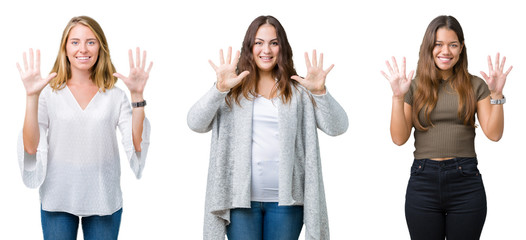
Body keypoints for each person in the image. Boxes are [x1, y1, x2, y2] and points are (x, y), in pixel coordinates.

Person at [187, 15, 348, 240]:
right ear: (249, 47)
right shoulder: (232, 89)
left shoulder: (298, 90)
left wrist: (320, 92)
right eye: (259, 42)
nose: (266, 50)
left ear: (282, 47)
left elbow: (338, 127)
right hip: (240, 202)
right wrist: (219, 88)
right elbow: (195, 123)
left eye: (273, 42)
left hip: (287, 203)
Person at [16, 16, 152, 240]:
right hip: (58, 196)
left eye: (91, 41)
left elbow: (136, 143)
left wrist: (137, 96)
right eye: (75, 42)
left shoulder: (115, 95)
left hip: (103, 197)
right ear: (65, 48)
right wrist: (31, 96)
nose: (83, 49)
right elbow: (30, 147)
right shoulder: (49, 93)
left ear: (100, 47)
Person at [381, 15, 512, 240]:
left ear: (461, 48)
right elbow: (398, 138)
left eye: (453, 45)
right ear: (428, 47)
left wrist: (497, 94)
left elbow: (494, 133)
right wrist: (397, 97)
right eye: (439, 44)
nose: (446, 51)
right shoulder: (412, 87)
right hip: (423, 182)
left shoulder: (476, 85)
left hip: (466, 182)